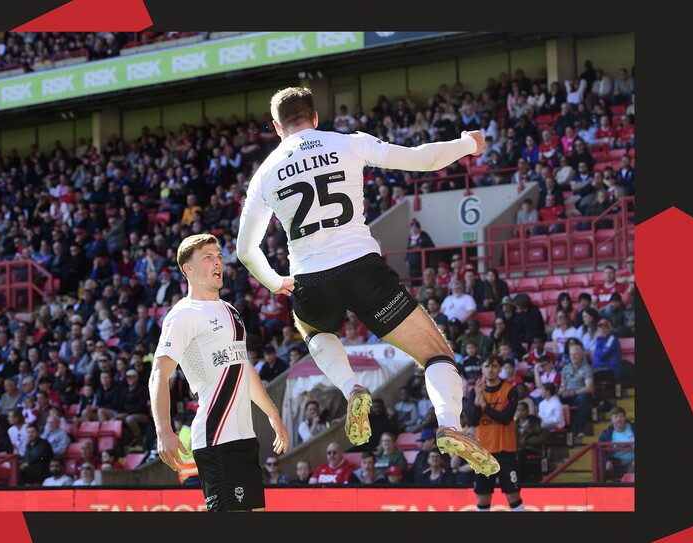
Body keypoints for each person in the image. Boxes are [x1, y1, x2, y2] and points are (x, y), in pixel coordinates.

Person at [236, 86, 497, 476]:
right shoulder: (348, 143)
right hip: (364, 269)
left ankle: (351, 388)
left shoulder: (264, 174)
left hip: (310, 276)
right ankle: (449, 424)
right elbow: (419, 159)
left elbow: (244, 250)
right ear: (316, 117)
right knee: (436, 354)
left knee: (311, 328)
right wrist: (465, 145)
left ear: (277, 127)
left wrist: (275, 282)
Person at [150, 234, 288, 512]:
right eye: (208, 257)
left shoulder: (231, 310)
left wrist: (273, 415)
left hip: (245, 438)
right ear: (187, 268)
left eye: (219, 256)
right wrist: (164, 430)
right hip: (216, 438)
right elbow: (158, 374)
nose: (218, 263)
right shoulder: (183, 314)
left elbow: (243, 367)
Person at [462, 355, 524, 510]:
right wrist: (477, 399)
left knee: (513, 496)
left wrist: (485, 407)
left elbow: (506, 418)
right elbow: (473, 421)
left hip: (506, 451)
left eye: (495, 366)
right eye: (487, 366)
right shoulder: (475, 391)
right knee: (483, 498)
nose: (491, 369)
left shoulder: (510, 390)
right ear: (482, 369)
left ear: (500, 369)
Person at [560, 342, 595, 438]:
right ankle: (564, 429)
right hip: (569, 393)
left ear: (581, 355)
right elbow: (563, 384)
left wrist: (573, 393)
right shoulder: (565, 368)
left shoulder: (587, 368)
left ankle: (580, 430)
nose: (573, 357)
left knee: (581, 399)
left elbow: (589, 388)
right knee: (557, 399)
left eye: (575, 354)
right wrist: (562, 391)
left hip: (581, 393)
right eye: (571, 354)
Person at [116, 368, 151, 447]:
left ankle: (139, 439)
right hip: (127, 414)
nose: (130, 379)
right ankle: (127, 440)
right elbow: (121, 404)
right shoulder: (124, 390)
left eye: (132, 377)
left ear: (136, 377)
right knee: (114, 420)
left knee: (129, 419)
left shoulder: (143, 390)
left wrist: (127, 413)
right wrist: (120, 413)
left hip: (141, 413)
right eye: (128, 377)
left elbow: (142, 406)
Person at [599, 406, 635, 480]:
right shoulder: (606, 434)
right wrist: (607, 462)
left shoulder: (633, 428)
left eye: (621, 416)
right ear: (612, 419)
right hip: (616, 463)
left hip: (632, 462)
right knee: (601, 468)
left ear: (625, 417)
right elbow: (601, 450)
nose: (619, 419)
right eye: (616, 417)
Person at [514, 401, 548, 479]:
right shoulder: (514, 425)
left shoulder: (534, 424)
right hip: (517, 448)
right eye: (518, 410)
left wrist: (530, 441)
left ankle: (521, 478)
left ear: (527, 412)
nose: (520, 412)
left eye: (523, 410)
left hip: (532, 448)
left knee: (521, 454)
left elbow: (545, 435)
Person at [406, 219, 435, 285]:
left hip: (422, 263)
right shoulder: (410, 238)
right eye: (412, 228)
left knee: (423, 280)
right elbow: (408, 249)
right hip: (412, 266)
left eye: (415, 227)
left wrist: (421, 248)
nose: (413, 229)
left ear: (419, 228)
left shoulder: (424, 235)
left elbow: (432, 247)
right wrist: (407, 259)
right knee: (413, 282)